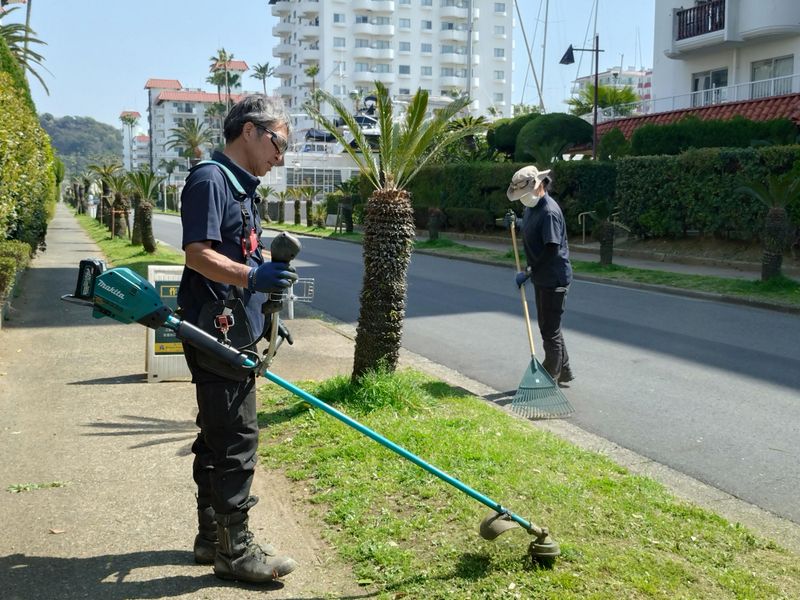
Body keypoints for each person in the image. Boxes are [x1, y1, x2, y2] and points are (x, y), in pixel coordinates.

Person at [177, 95, 299, 584]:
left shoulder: (242, 189)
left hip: (236, 325)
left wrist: (264, 311)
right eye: (279, 142)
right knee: (237, 438)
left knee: (216, 435)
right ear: (250, 131)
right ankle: (236, 550)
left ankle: (212, 537)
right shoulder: (211, 179)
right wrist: (254, 282)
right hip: (216, 330)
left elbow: (242, 251)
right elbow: (197, 255)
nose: (281, 155)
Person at [506, 165, 574, 385]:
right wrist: (517, 223)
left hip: (553, 279)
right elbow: (531, 226)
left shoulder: (549, 212)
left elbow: (551, 248)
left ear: (538, 187)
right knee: (551, 326)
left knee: (549, 331)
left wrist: (529, 271)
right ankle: (564, 370)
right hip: (542, 277)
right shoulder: (532, 208)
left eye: (525, 195)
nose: (522, 200)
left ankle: (549, 378)